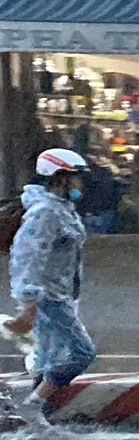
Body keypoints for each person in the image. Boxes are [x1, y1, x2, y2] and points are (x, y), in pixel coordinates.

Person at [4, 148, 97, 423]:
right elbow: (27, 256)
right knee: (82, 353)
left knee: (48, 357)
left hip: (62, 295)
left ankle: (26, 418)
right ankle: (33, 405)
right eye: (75, 178)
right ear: (58, 178)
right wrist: (29, 302)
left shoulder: (62, 209)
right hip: (49, 299)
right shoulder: (45, 212)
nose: (80, 185)